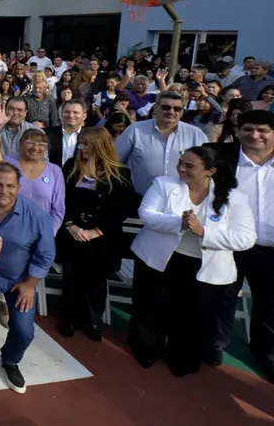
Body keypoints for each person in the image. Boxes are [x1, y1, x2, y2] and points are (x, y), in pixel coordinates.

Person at [128, 146, 255, 375]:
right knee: (151, 307)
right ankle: (146, 350)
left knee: (193, 316)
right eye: (180, 163)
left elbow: (246, 238)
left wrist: (203, 231)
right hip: (160, 259)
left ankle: (183, 358)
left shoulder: (235, 199)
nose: (181, 169)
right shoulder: (163, 184)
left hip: (204, 267)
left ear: (210, 171)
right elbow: (147, 214)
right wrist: (180, 223)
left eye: (190, 165)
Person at [0, 162, 56, 394]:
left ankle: (10, 360)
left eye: (10, 186)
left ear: (19, 187)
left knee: (24, 330)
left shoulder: (36, 216)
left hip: (19, 278)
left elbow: (46, 255)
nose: (3, 191)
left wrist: (30, 284)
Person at [208, 110, 274, 374]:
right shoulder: (220, 157)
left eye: (263, 130)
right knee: (221, 297)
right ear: (237, 131)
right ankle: (214, 345)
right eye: (248, 129)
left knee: (270, 303)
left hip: (270, 249)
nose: (254, 135)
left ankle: (266, 352)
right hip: (229, 245)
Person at [57, 127, 135, 340]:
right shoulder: (71, 167)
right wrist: (71, 226)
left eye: (87, 144)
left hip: (103, 237)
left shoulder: (120, 173)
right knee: (71, 275)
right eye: (81, 143)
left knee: (97, 280)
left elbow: (121, 209)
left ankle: (92, 320)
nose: (82, 147)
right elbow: (61, 201)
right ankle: (69, 318)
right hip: (72, 232)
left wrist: (95, 232)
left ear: (101, 146)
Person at [116, 90, 208, 196]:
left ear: (182, 112)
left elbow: (207, 166)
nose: (171, 112)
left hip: (181, 201)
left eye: (177, 109)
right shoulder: (135, 130)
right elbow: (115, 160)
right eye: (166, 107)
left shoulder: (196, 134)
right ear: (156, 108)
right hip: (139, 199)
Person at [5, 129, 65, 233]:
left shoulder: (55, 170)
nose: (35, 148)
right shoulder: (7, 162)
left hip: (42, 232)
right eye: (30, 143)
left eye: (41, 144)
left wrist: (48, 233)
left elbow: (58, 208)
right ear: (20, 143)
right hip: (8, 230)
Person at [46, 99, 87, 167]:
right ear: (61, 114)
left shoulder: (90, 137)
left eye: (75, 112)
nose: (71, 115)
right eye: (67, 112)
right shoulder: (47, 133)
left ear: (84, 116)